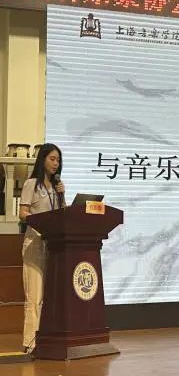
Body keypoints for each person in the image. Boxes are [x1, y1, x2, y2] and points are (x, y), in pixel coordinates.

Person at [18, 143, 66, 354]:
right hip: (35, 245)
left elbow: (62, 214)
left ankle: (46, 338)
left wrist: (62, 195)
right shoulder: (32, 184)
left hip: (52, 246)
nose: (56, 163)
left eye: (58, 160)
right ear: (43, 159)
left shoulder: (57, 187)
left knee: (50, 296)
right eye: (52, 159)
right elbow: (23, 213)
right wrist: (41, 221)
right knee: (34, 296)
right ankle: (30, 342)